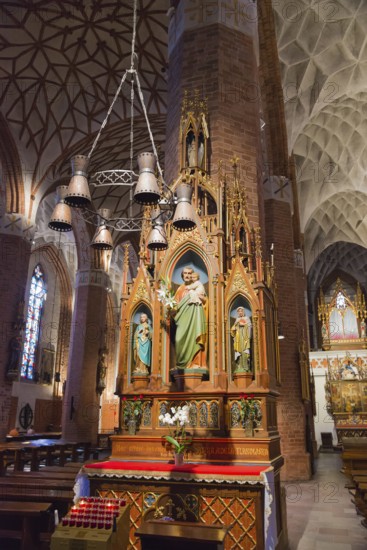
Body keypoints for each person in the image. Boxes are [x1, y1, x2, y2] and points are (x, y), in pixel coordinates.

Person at [172, 266, 207, 370]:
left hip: (195, 317)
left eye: (189, 273)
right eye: (185, 273)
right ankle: (180, 365)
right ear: (182, 275)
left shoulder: (197, 286)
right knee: (179, 339)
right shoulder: (180, 289)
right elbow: (175, 304)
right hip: (182, 319)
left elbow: (205, 300)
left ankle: (195, 363)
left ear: (192, 275)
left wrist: (198, 295)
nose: (187, 275)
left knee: (195, 339)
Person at [230, 307, 252, 372]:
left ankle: (246, 367)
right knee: (239, 353)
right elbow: (233, 329)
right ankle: (239, 366)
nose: (240, 312)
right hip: (238, 338)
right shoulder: (237, 320)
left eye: (241, 311)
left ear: (243, 312)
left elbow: (249, 327)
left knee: (244, 352)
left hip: (245, 338)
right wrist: (237, 325)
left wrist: (244, 325)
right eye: (239, 311)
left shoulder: (247, 318)